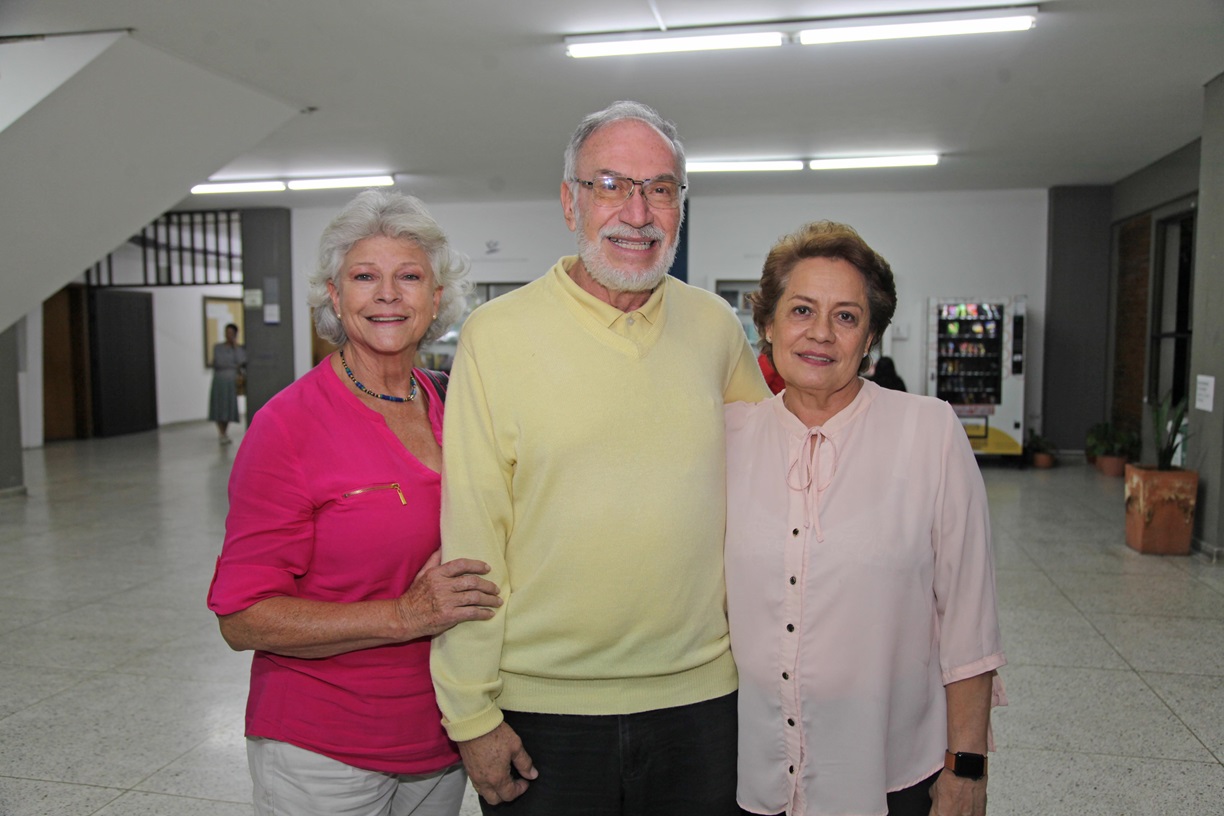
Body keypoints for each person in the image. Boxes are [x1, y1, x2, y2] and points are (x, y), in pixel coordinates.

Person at [431, 101, 771, 815]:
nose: (637, 213)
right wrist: (470, 712)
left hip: (702, 699)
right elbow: (472, 535)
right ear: (570, 202)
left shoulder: (715, 327)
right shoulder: (495, 336)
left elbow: (772, 482)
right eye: (611, 185)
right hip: (541, 708)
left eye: (661, 189)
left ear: (680, 205)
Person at [207, 190, 501, 816]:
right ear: (335, 298)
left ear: (438, 298)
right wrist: (402, 615)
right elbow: (243, 617)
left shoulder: (458, 406)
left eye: (409, 277)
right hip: (323, 747)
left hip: (443, 734)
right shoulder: (288, 426)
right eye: (364, 277)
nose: (387, 295)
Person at [725, 221, 1005, 816]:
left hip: (891, 771)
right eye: (801, 310)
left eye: (847, 316)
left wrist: (968, 768)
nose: (821, 333)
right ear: (767, 324)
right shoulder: (731, 438)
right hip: (757, 770)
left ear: (871, 335)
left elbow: (969, 619)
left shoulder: (929, 433)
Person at [208, 322, 247, 444]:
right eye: (227, 332)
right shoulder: (218, 347)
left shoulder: (238, 349)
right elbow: (218, 362)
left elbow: (241, 361)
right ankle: (221, 432)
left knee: (228, 407)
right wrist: (232, 364)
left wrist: (235, 347)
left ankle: (224, 432)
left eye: (231, 333)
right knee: (218, 406)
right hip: (219, 380)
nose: (228, 335)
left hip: (231, 382)